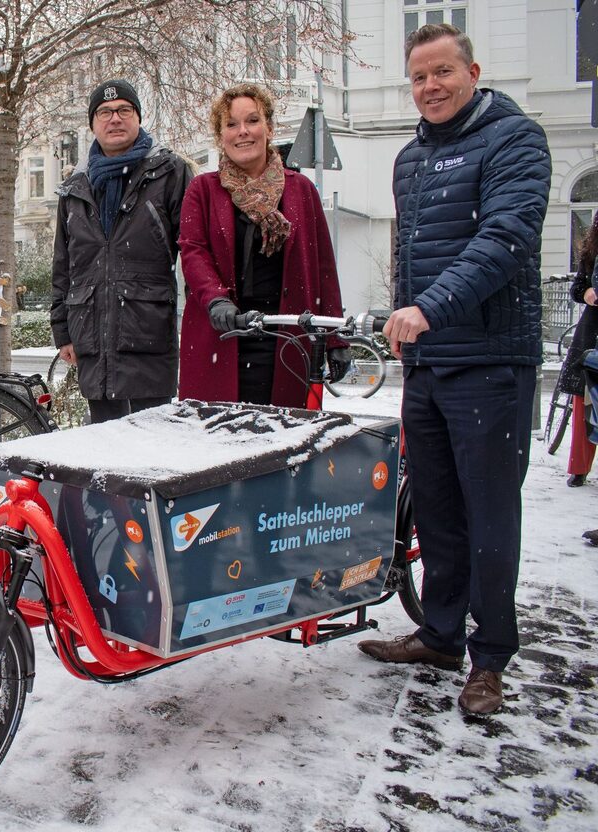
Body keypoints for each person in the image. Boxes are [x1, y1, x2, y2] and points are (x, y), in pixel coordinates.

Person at [356, 24, 551, 716]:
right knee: (435, 509)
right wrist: (405, 316)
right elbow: (415, 258)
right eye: (418, 77)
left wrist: (429, 309)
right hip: (430, 365)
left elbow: (505, 239)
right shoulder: (410, 157)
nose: (430, 87)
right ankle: (439, 634)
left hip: (491, 363)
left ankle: (490, 656)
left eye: (442, 72)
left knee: (489, 515)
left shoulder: (515, 139)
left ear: (471, 70)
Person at [176, 83, 347, 407]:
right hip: (223, 334)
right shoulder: (203, 190)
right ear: (220, 136)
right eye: (231, 124)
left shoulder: (302, 190)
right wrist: (216, 301)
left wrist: (334, 338)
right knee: (219, 445)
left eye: (252, 121)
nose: (243, 132)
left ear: (268, 127)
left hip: (287, 339)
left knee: (285, 441)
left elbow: (324, 267)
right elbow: (194, 251)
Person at [50, 79, 193, 423]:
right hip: (92, 337)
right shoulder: (74, 189)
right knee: (104, 448)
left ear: (138, 118)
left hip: (148, 332)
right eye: (105, 112)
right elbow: (64, 265)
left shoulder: (169, 173)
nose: (115, 119)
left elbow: (193, 252)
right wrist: (63, 331)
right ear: (93, 124)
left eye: (124, 110)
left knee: (153, 444)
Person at [558, 216, 598, 494]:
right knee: (584, 400)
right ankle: (579, 467)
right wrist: (587, 294)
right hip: (592, 332)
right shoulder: (592, 251)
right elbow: (577, 288)